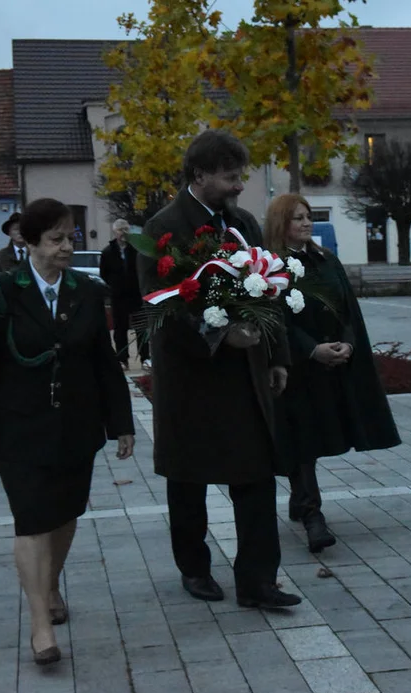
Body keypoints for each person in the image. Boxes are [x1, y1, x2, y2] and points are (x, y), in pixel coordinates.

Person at [0, 198, 135, 666]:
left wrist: (121, 423)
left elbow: (104, 363)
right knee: (33, 519)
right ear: (30, 242)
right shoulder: (0, 290)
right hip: (18, 427)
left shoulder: (87, 288)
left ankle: (50, 582)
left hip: (77, 424)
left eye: (70, 238)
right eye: (56, 238)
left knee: (65, 515)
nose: (66, 246)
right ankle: (40, 624)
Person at [137, 129, 300, 609]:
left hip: (246, 376)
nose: (238, 186)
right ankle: (194, 568)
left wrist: (277, 357)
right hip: (193, 378)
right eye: (230, 177)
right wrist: (218, 334)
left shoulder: (244, 224)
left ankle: (258, 582)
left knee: (255, 478)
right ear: (199, 174)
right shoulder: (162, 230)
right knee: (189, 481)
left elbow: (271, 292)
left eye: (240, 176)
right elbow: (157, 306)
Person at [264, 194, 402, 553]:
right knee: (302, 439)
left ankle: (299, 500)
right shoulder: (272, 265)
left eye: (308, 216)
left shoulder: (326, 260)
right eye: (297, 218)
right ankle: (313, 516)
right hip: (296, 369)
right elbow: (276, 319)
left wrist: (348, 344)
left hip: (332, 366)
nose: (306, 223)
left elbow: (348, 311)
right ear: (282, 224)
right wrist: (311, 349)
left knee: (315, 438)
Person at [99, 218, 150, 370]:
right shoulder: (107, 252)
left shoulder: (136, 250)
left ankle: (145, 357)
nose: (123, 233)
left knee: (141, 327)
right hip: (118, 296)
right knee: (119, 329)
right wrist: (113, 287)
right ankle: (122, 359)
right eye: (120, 230)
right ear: (115, 232)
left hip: (136, 294)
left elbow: (142, 271)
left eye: (126, 230)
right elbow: (104, 274)